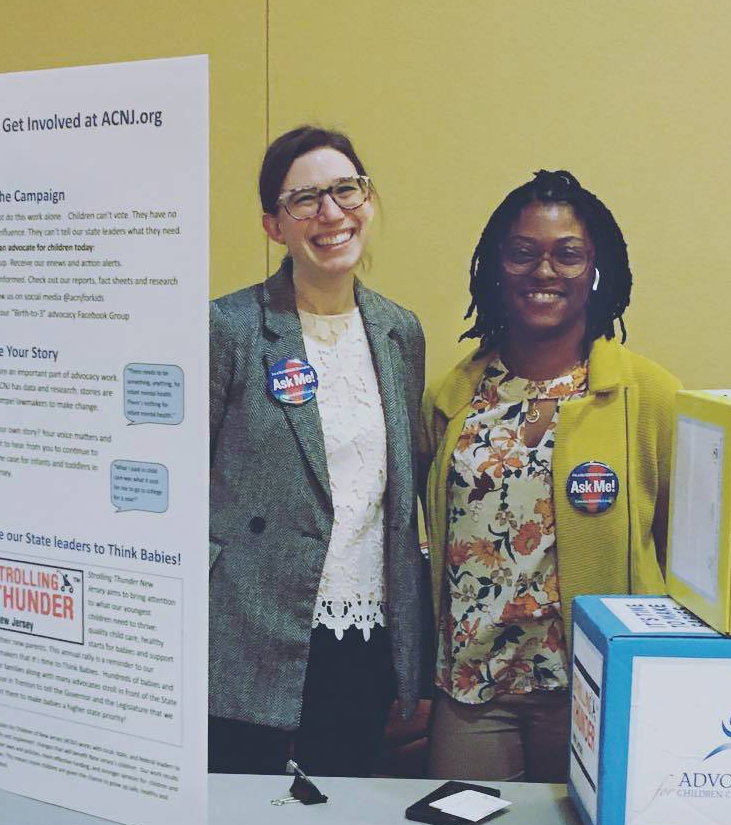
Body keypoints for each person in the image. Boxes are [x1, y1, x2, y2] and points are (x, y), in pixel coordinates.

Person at [424, 169, 679, 784]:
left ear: (597, 270)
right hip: (473, 688)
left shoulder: (645, 396)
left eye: (568, 255)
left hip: (594, 685)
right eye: (523, 253)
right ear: (496, 267)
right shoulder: (453, 399)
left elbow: (678, 548)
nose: (544, 272)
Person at [209, 127, 429, 778]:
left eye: (345, 190)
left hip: (365, 626)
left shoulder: (400, 332)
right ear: (274, 225)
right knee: (239, 812)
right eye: (305, 200)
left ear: (368, 199)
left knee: (343, 816)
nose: (331, 214)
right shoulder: (229, 329)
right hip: (250, 622)